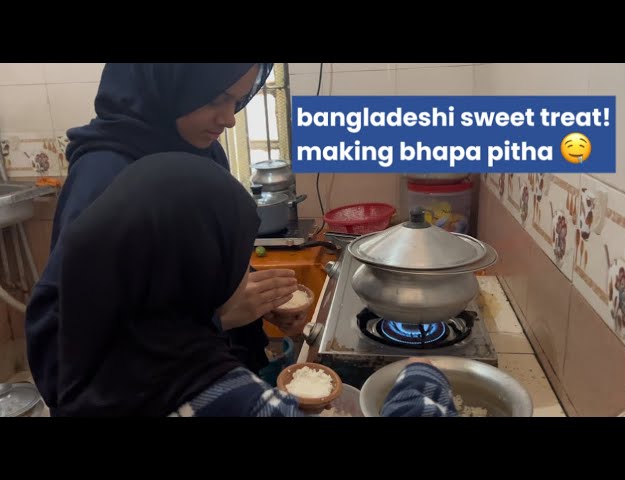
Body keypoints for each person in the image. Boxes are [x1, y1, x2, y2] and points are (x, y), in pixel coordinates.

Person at [56, 152, 458, 417]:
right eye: (233, 260)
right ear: (196, 274)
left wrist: (223, 317)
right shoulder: (228, 400)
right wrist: (420, 376)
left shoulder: (85, 367)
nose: (242, 271)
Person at [25, 63, 305, 414]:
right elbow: (67, 340)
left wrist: (257, 302)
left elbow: (193, 265)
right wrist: (223, 317)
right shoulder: (104, 174)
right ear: (169, 83)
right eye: (217, 98)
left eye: (238, 100)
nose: (230, 118)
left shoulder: (201, 149)